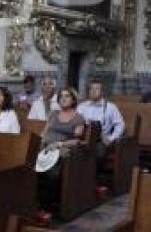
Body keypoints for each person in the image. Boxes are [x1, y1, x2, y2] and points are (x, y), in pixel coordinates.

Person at [37, 87, 86, 217]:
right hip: (45, 147)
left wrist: (59, 144)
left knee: (52, 174)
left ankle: (46, 206)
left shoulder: (78, 117)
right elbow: (44, 132)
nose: (63, 99)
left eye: (67, 96)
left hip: (61, 148)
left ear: (73, 99)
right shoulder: (53, 114)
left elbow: (77, 140)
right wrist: (39, 143)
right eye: (61, 96)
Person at [77, 79, 125, 148]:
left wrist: (111, 138)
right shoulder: (82, 106)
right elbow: (75, 122)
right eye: (91, 89)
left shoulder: (110, 107)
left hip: (100, 141)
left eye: (96, 89)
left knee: (97, 150)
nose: (93, 91)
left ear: (102, 92)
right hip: (82, 139)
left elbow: (120, 125)